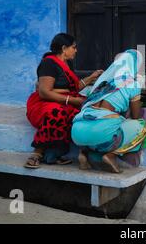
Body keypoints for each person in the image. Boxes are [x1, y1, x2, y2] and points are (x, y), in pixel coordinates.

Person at [25, 33, 103, 169]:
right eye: (74, 47)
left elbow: (74, 87)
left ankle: (54, 154)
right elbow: (44, 92)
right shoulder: (48, 63)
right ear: (64, 48)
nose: (76, 50)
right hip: (45, 102)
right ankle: (38, 152)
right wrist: (70, 99)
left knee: (84, 113)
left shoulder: (67, 64)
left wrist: (92, 77)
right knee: (57, 113)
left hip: (64, 99)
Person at [71, 49, 146, 173]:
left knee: (97, 126)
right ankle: (111, 156)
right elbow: (135, 116)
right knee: (141, 126)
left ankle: (83, 154)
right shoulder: (132, 84)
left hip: (76, 132)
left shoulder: (101, 83)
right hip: (101, 132)